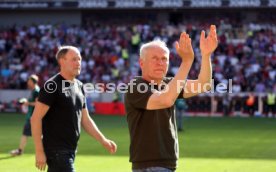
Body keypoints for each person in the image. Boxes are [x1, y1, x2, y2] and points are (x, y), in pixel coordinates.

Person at [125, 25, 218, 171]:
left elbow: (204, 84)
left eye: (164, 59)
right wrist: (187, 62)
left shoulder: (168, 84)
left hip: (166, 164)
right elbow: (165, 100)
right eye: (154, 58)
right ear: (141, 63)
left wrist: (206, 56)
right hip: (149, 166)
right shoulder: (135, 85)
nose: (160, 63)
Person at [31, 46, 117, 172]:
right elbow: (35, 118)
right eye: (74, 59)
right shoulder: (52, 85)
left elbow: (85, 119)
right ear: (62, 61)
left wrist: (103, 140)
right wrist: (39, 151)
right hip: (57, 152)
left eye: (79, 59)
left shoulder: (79, 86)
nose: (78, 63)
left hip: (70, 150)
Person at [10, 74, 40, 156]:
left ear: (33, 82)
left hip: (33, 117)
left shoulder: (36, 91)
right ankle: (20, 150)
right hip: (32, 116)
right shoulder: (34, 90)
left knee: (29, 134)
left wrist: (28, 103)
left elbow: (38, 103)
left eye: (29, 81)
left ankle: (20, 151)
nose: (28, 83)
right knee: (35, 135)